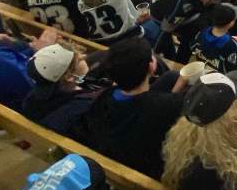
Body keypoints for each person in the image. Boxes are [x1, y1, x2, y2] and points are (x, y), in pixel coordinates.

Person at [76, 36, 189, 179]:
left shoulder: (103, 98)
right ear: (152, 67)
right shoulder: (167, 107)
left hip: (117, 158)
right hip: (147, 172)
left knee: (172, 77)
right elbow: (163, 106)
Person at [22, 43, 109, 135]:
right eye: (80, 60)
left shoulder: (32, 98)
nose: (85, 56)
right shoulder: (84, 103)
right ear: (69, 76)